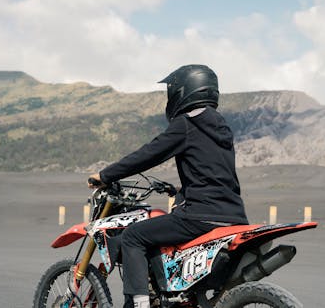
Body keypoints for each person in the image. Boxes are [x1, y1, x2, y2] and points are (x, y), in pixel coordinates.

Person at [88, 64, 248, 308]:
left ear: (183, 92)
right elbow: (213, 172)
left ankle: (139, 304)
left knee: (133, 236)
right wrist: (180, 191)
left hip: (200, 216)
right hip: (235, 216)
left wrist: (106, 175)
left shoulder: (187, 124)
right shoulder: (221, 125)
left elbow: (148, 154)